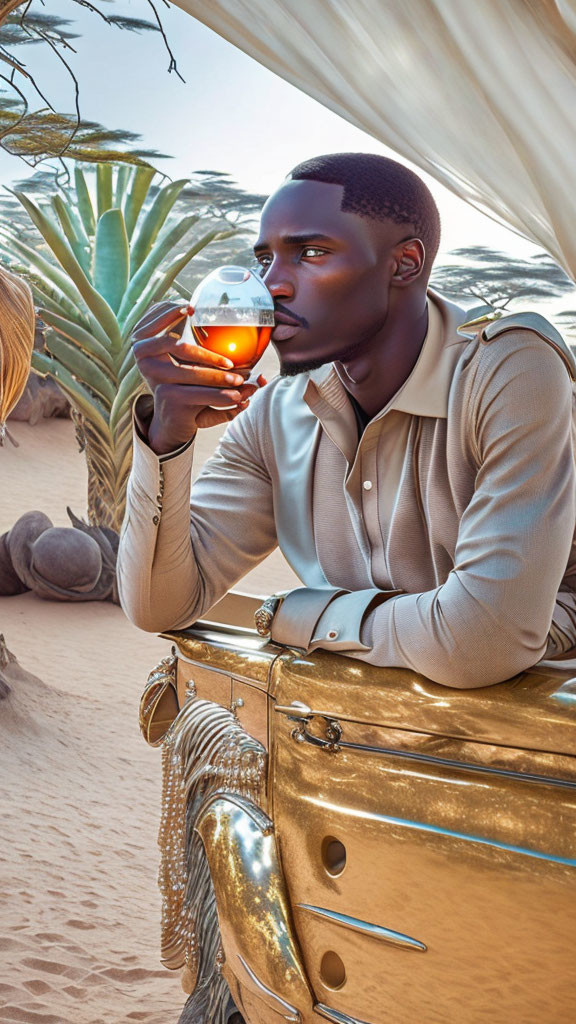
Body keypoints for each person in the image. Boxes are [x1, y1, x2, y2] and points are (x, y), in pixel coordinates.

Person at [118, 151, 576, 690]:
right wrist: (168, 437)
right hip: (362, 743)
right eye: (265, 260)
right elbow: (157, 605)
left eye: (310, 253)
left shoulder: (509, 368)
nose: (273, 286)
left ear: (404, 263)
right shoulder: (275, 413)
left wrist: (302, 617)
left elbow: (482, 643)